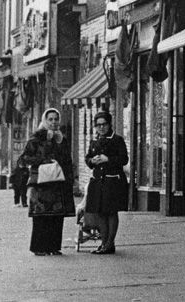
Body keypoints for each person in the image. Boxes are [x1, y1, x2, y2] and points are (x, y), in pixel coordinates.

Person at [21, 107, 75, 255]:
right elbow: (24, 159)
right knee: (41, 215)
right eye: (50, 119)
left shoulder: (61, 139)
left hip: (58, 181)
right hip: (41, 182)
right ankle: (39, 247)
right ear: (45, 121)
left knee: (56, 216)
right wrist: (43, 161)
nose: (53, 122)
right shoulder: (36, 138)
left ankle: (54, 247)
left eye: (56, 119)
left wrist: (70, 178)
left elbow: (67, 159)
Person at [84, 110, 129, 255]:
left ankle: (110, 244)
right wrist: (92, 161)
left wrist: (108, 159)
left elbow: (124, 159)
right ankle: (104, 243)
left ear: (109, 125)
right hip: (98, 181)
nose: (101, 128)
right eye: (98, 125)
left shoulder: (117, 140)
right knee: (100, 213)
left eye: (104, 124)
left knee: (111, 212)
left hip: (112, 180)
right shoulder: (94, 141)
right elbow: (88, 158)